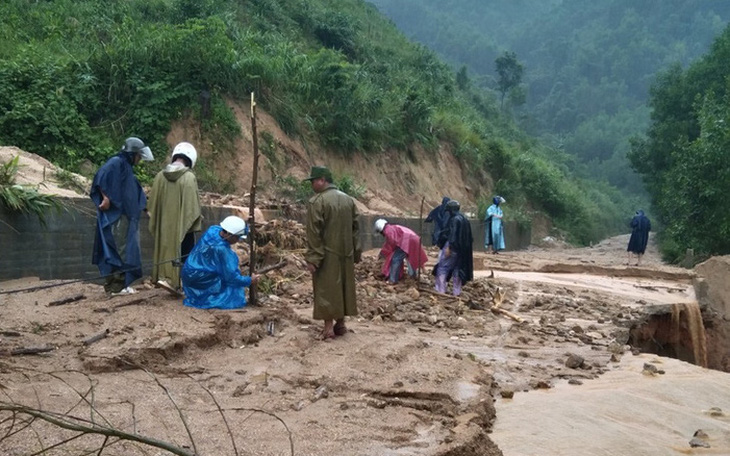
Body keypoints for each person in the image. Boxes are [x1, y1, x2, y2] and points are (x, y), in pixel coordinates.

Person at [304, 166, 361, 340]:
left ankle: (328, 328)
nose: (312, 185)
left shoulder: (317, 201)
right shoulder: (349, 201)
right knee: (343, 287)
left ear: (322, 180)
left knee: (326, 289)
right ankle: (341, 324)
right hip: (346, 253)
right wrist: (356, 253)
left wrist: (313, 258)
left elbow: (314, 233)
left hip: (327, 254)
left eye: (313, 181)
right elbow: (356, 229)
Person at [91, 137, 154, 295]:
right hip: (117, 217)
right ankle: (116, 287)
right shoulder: (116, 162)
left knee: (122, 250)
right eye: (139, 156)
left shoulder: (126, 167)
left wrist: (145, 208)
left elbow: (133, 190)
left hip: (125, 217)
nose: (139, 160)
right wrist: (104, 197)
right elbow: (100, 177)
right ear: (132, 154)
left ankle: (118, 286)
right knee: (120, 251)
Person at [148, 142, 203, 292]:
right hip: (183, 227)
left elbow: (152, 205)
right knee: (186, 249)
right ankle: (180, 282)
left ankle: (163, 277)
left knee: (164, 247)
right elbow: (192, 208)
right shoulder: (189, 177)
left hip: (164, 227)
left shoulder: (160, 176)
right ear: (191, 158)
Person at [181, 216, 259, 309]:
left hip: (188, 272)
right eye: (237, 237)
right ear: (229, 234)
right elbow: (231, 278)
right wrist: (249, 280)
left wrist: (244, 224)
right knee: (234, 292)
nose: (239, 240)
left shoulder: (213, 229)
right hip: (199, 279)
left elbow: (230, 228)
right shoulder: (222, 250)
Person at [434, 200, 473, 296]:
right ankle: (457, 292)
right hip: (462, 250)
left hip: (453, 248)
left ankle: (441, 291)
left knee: (442, 268)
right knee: (457, 270)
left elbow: (453, 234)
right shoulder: (464, 219)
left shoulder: (455, 219)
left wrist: (449, 247)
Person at [374, 218, 428, 284]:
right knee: (412, 258)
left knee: (396, 259)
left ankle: (393, 280)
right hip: (414, 239)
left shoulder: (387, 231)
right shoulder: (391, 228)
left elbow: (391, 243)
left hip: (407, 241)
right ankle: (413, 276)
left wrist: (383, 253)